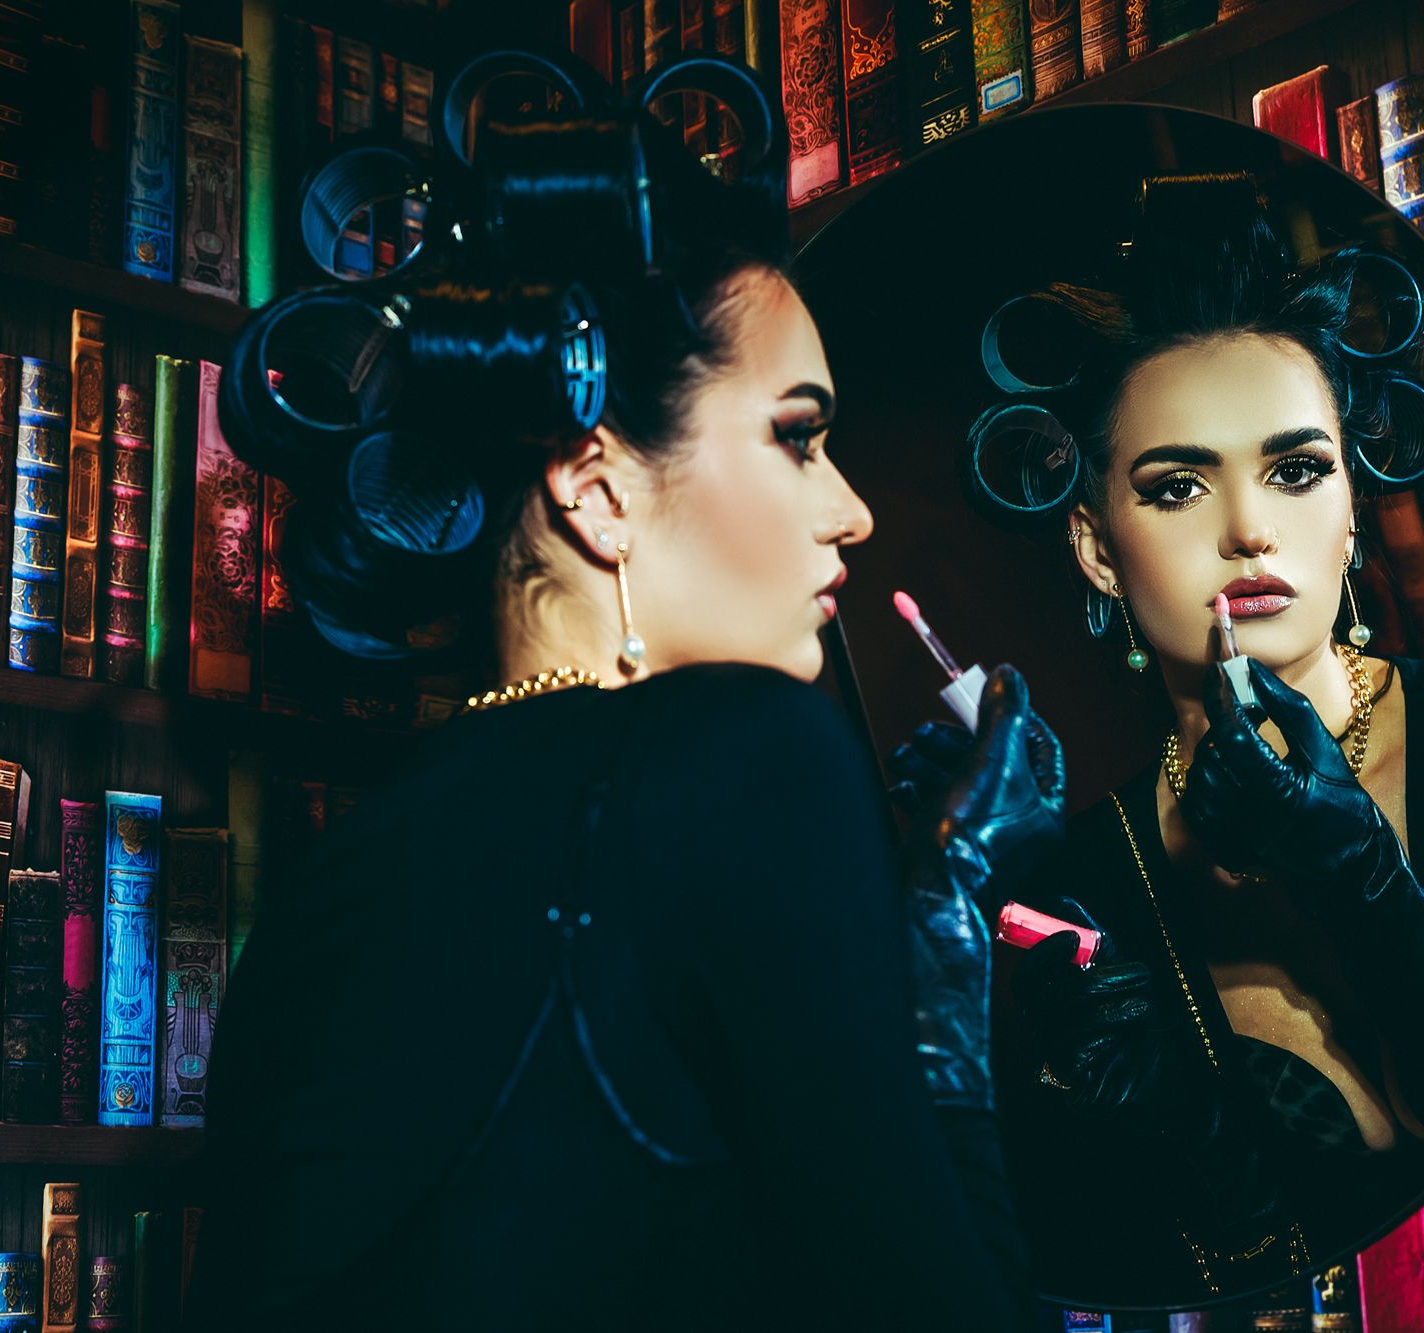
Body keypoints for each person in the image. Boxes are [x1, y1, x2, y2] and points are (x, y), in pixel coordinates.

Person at [184, 57, 1056, 1330]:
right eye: (796, 436)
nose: (851, 510)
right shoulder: (745, 758)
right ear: (596, 491)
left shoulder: (323, 894)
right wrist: (943, 933)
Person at [916, 172, 1424, 1304]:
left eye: (1295, 471)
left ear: (1352, 512)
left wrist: (1363, 882)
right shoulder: (1085, 888)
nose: (1248, 529)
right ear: (1096, 548)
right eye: (1177, 487)